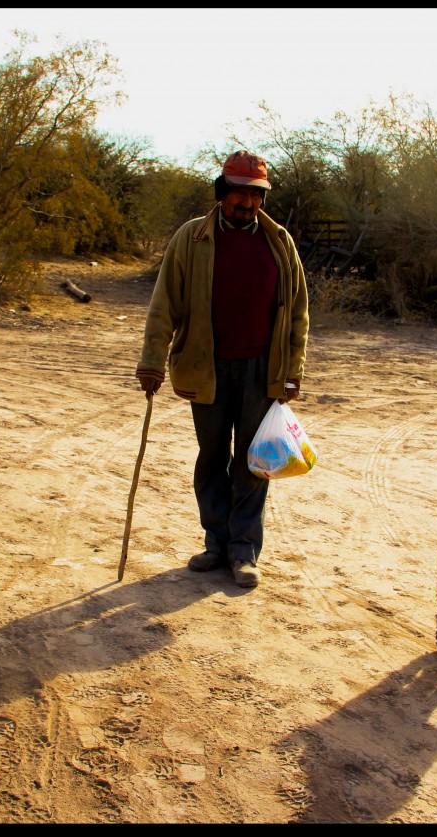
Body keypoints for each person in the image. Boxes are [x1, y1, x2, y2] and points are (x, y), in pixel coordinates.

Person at [135, 150, 309, 589]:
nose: (247, 203)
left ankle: (243, 552)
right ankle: (215, 544)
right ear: (222, 192)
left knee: (254, 461)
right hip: (206, 367)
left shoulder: (279, 242)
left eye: (255, 195)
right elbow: (164, 305)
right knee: (211, 458)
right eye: (239, 193)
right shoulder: (192, 239)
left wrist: (292, 371)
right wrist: (152, 360)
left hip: (261, 370)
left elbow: (298, 313)